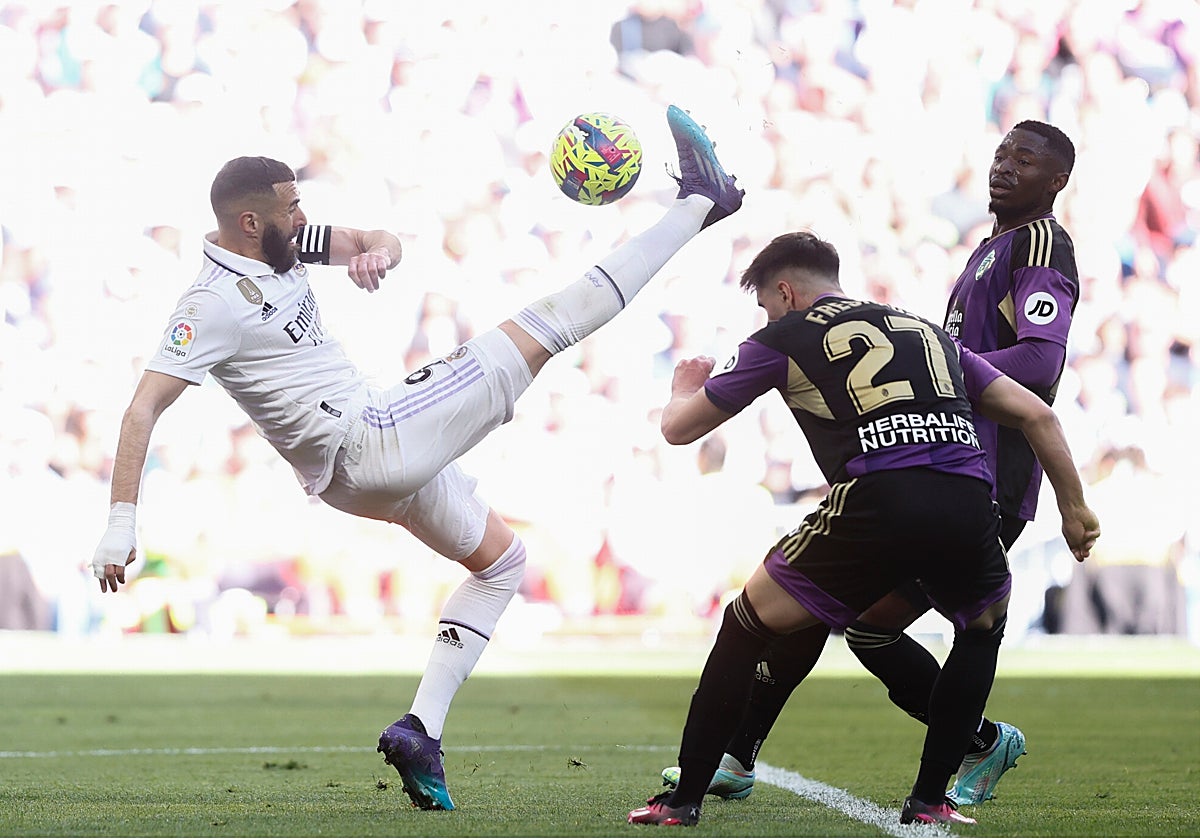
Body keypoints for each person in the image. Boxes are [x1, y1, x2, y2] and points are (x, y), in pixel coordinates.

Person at [89, 104, 744, 811]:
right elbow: (141, 407)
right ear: (251, 222)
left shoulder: (281, 244)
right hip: (368, 436)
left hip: (358, 476)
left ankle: (420, 730)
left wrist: (376, 252)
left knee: (501, 565)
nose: (302, 213)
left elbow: (377, 238)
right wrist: (121, 523)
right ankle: (704, 203)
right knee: (548, 323)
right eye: (291, 205)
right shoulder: (212, 301)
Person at [661, 119, 1080, 807]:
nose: (1004, 168)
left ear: (1056, 181)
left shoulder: (1039, 243)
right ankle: (958, 751)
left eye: (1025, 160)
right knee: (856, 620)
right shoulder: (990, 249)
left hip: (982, 475)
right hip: (938, 463)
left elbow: (1040, 363)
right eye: (1001, 154)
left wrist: (936, 374)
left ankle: (744, 756)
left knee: (833, 609)